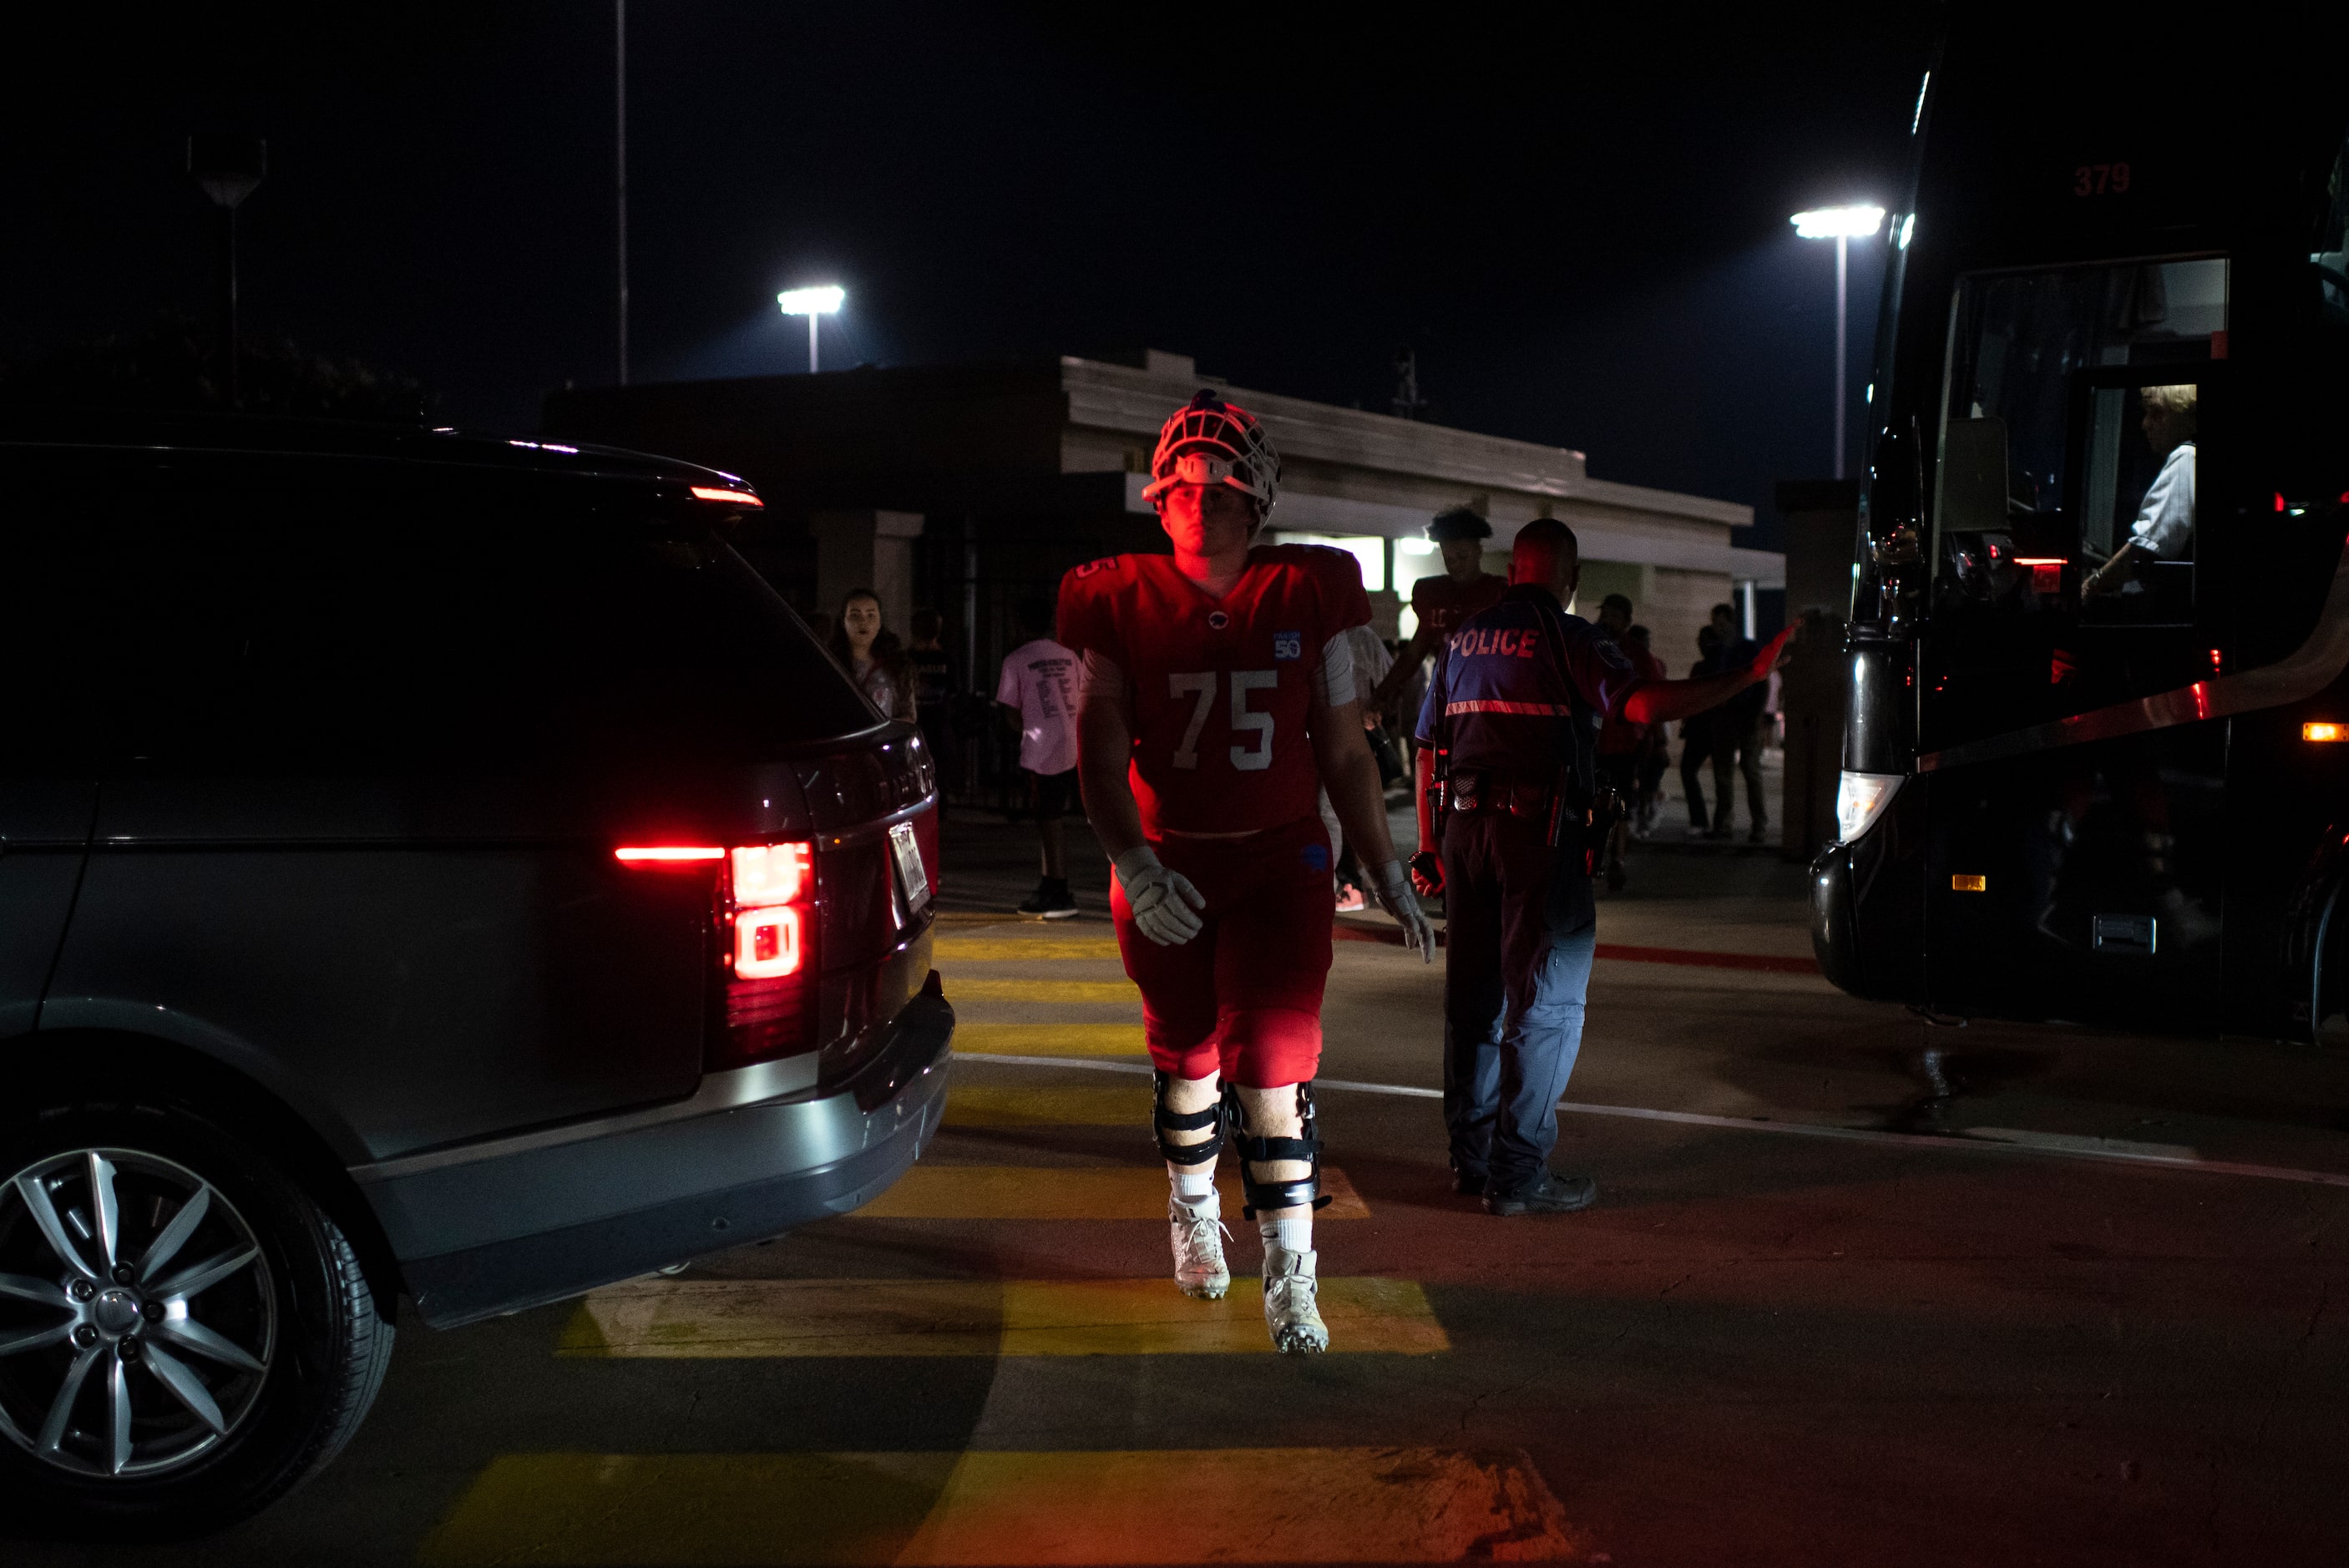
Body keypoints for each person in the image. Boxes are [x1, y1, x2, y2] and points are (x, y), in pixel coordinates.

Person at [1061, 388, 1433, 1353]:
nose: (1201, 498)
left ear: (1259, 497)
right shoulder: (1113, 593)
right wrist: (1133, 862)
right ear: (1157, 496)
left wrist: (1385, 870)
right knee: (1185, 1062)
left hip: (1279, 862)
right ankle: (1190, 1208)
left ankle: (1290, 1271)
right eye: (1183, 484)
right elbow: (1096, 753)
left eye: (1221, 484)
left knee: (1271, 1065)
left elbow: (1346, 755)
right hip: (1165, 864)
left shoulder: (1310, 587)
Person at [1410, 520, 1788, 1214]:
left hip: (1464, 835)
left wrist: (1430, 845)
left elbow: (1428, 747)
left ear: (1512, 569)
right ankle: (1517, 1175)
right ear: (1570, 577)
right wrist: (1749, 677)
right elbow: (1640, 706)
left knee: (1473, 1002)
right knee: (1544, 1006)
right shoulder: (1571, 639)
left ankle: (1469, 1160)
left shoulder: (1463, 638)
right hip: (1538, 837)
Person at [1365, 506, 1509, 719]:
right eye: (1449, 558)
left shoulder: (1499, 593)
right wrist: (1383, 693)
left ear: (1479, 551)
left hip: (1489, 699)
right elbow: (1416, 650)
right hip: (1446, 696)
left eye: (1462, 556)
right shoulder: (1433, 593)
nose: (1456, 565)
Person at [995, 599, 1082, 918]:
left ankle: (1057, 888)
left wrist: (1026, 731)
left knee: (1048, 818)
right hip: (1073, 743)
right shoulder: (1069, 656)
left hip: (1041, 749)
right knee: (1055, 816)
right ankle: (1051, 883)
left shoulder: (1016, 660)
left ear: (1018, 625)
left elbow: (1009, 707)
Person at [2083, 384, 2198, 597]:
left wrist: (2093, 584)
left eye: (2157, 413)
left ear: (2186, 417)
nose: (2145, 424)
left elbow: (2146, 549)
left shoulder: (2187, 458)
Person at [1589, 594, 1663, 888]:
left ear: (1627, 621)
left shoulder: (1637, 655)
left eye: (1614, 616)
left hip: (1625, 741)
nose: (1607, 620)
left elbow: (1656, 697)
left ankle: (1617, 860)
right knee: (1591, 803)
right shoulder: (1590, 646)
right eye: (1604, 614)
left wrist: (1658, 740)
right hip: (1592, 740)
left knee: (1620, 804)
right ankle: (1593, 859)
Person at [1700, 604, 1769, 843]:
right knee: (1723, 772)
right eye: (1716, 624)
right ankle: (1724, 823)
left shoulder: (1748, 649)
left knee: (1750, 770)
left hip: (1744, 714)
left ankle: (1758, 824)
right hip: (1723, 716)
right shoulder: (1716, 652)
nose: (1718, 628)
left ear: (1731, 622)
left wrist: (1754, 714)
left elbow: (1761, 682)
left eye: (1722, 623)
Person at [828, 588, 917, 724]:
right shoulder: (830, 663)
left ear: (880, 622)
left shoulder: (897, 665)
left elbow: (909, 715)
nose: (863, 622)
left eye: (871, 615)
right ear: (843, 622)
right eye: (855, 615)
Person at [908, 607, 961, 798]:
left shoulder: (908, 659)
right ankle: (940, 807)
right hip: (939, 722)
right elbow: (954, 691)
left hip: (915, 723)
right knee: (940, 768)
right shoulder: (946, 659)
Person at [1678, 625, 1719, 835]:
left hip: (1710, 727)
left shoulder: (1717, 667)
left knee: (1715, 776)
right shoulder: (1701, 667)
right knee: (1689, 771)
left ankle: (1705, 821)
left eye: (1706, 641)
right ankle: (1703, 820)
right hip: (1700, 728)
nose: (1703, 646)